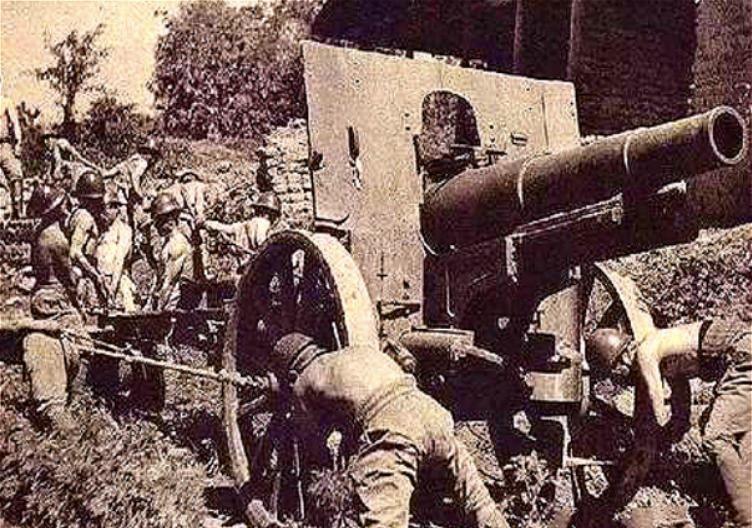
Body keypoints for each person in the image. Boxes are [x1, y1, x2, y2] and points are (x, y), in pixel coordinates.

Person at [256, 331, 510, 528]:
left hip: (393, 425)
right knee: (479, 504)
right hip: (432, 414)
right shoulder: (360, 353)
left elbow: (313, 444)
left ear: (291, 374)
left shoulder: (303, 381)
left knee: (383, 522)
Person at [582, 320, 751, 527]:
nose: (620, 379)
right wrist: (668, 436)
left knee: (716, 436)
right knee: (743, 447)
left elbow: (656, 401)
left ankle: (746, 521)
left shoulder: (646, 351)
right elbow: (681, 410)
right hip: (742, 352)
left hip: (741, 354)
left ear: (621, 360)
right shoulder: (670, 359)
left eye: (615, 372)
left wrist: (648, 441)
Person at [23, 184, 82, 428]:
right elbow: (68, 278)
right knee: (78, 339)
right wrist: (79, 301)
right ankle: (77, 392)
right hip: (55, 298)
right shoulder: (57, 238)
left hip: (40, 296)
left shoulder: (39, 232)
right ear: (56, 209)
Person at [203, 191, 283, 267]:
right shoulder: (263, 223)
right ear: (271, 213)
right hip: (257, 267)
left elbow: (224, 228)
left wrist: (206, 223)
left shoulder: (243, 225)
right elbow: (262, 245)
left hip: (244, 266)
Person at [68, 170, 110, 309]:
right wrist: (95, 274)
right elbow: (75, 252)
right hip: (81, 273)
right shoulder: (85, 218)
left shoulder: (78, 214)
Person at [150, 191, 196, 311]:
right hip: (168, 301)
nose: (156, 226)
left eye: (158, 221)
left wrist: (157, 310)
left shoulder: (177, 243)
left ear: (169, 220)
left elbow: (170, 283)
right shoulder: (168, 243)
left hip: (176, 304)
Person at [95, 191, 136, 312]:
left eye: (106, 208)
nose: (103, 212)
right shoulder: (100, 229)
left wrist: (112, 289)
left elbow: (119, 259)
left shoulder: (124, 230)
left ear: (116, 209)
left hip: (117, 281)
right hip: (99, 280)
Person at [0, 74, 25, 218]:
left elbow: (15, 123)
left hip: (4, 145)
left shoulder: (5, 102)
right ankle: (4, 213)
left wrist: (18, 142)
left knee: (16, 175)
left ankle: (18, 211)